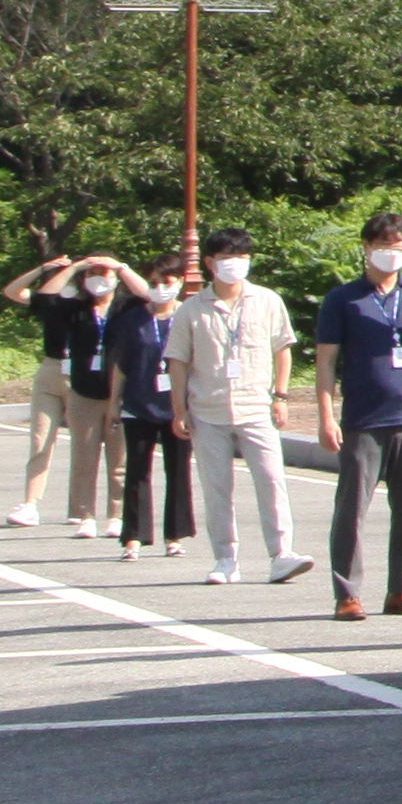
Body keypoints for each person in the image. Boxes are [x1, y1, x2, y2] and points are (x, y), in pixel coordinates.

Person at [311, 213, 402, 620]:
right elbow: (326, 362)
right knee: (352, 509)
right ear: (366, 247)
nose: (388, 253)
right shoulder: (343, 299)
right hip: (364, 418)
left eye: (397, 245)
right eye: (381, 244)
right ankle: (347, 593)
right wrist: (327, 415)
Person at [172, 231, 310, 586]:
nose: (235, 263)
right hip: (208, 408)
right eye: (227, 256)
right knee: (216, 486)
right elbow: (178, 362)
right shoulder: (191, 308)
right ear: (209, 263)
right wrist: (179, 409)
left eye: (243, 256)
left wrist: (280, 397)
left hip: (256, 406)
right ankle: (225, 558)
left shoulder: (266, 300)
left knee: (271, 480)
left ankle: (282, 553)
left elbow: (283, 347)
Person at [0, 249, 113, 535]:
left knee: (84, 444)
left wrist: (114, 268)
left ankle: (79, 509)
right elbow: (16, 292)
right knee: (41, 439)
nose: (93, 279)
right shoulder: (58, 302)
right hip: (52, 370)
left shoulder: (97, 306)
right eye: (89, 273)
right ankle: (30, 503)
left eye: (99, 274)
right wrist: (51, 269)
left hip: (84, 373)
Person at [102, 255, 192, 561]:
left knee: (178, 471)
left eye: (166, 283)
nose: (160, 288)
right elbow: (121, 365)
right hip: (139, 403)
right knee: (137, 472)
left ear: (179, 282)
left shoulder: (189, 316)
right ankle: (133, 537)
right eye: (153, 283)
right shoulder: (132, 319)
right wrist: (115, 403)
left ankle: (175, 536)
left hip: (179, 406)